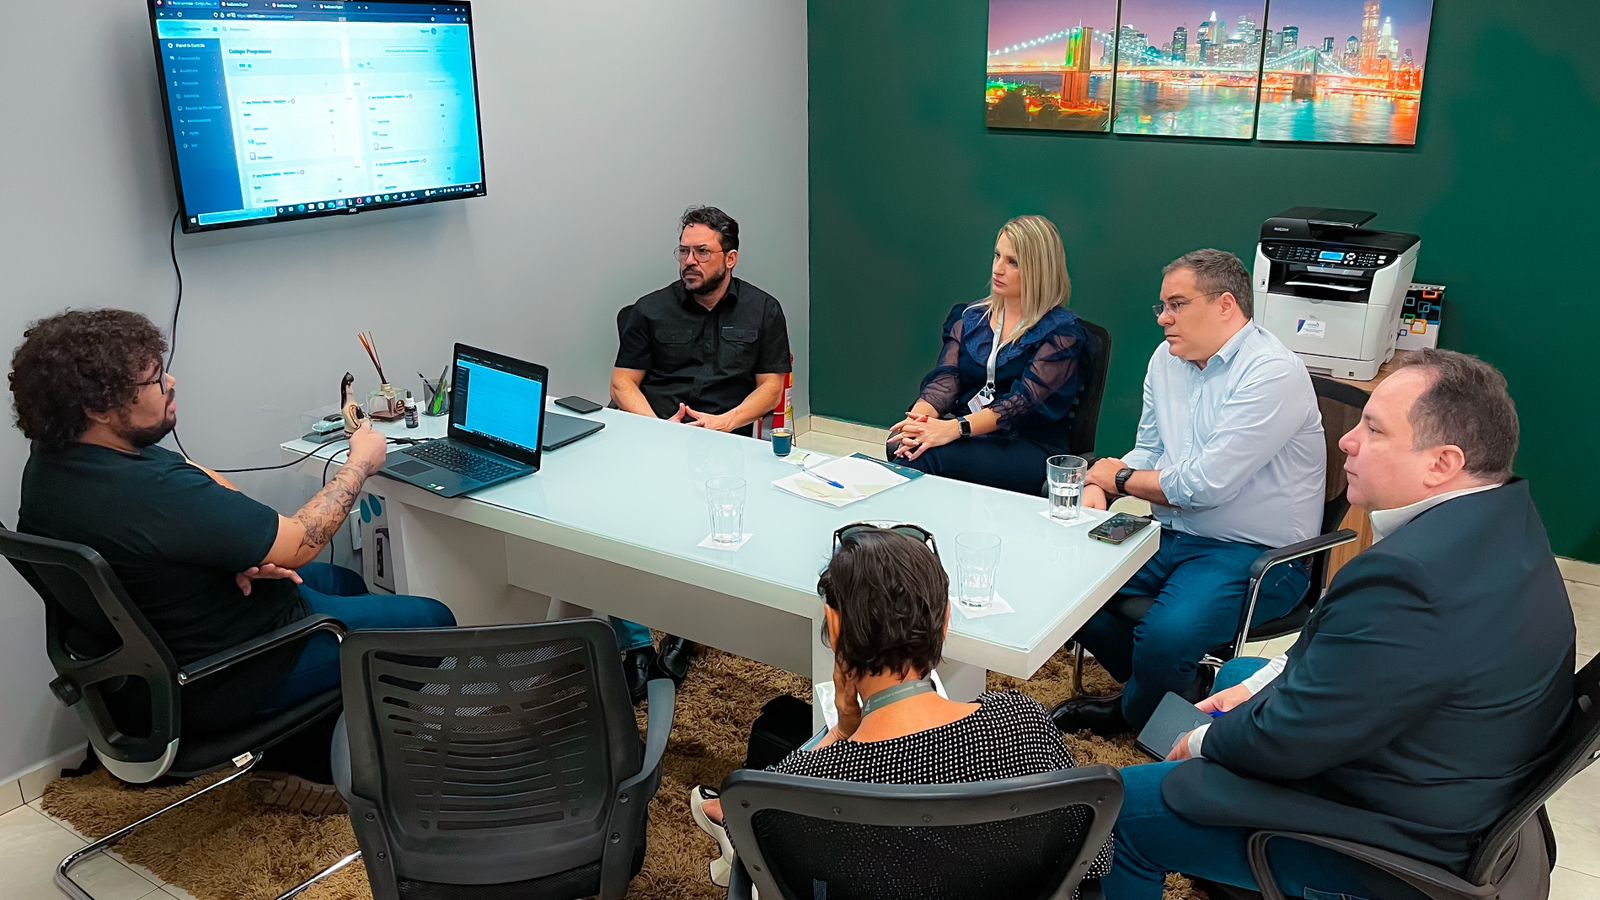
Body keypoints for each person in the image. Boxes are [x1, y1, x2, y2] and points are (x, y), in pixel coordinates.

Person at [1103, 349, 1576, 900]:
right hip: (1455, 777)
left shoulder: (1411, 580)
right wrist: (1257, 689)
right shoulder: (1501, 516)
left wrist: (1202, 742)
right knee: (1238, 676)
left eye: (1373, 429)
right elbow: (1357, 661)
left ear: (1442, 464)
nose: (1347, 441)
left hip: (1395, 836)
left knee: (1117, 807)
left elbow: (1287, 742)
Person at [10, 310, 455, 806]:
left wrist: (237, 551)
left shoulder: (56, 463)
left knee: (342, 582)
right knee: (434, 621)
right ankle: (330, 767)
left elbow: (203, 489)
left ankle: (305, 750)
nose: (171, 383)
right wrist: (359, 464)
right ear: (97, 406)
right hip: (223, 676)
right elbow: (299, 542)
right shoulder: (150, 491)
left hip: (148, 670)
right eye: (154, 379)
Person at [688, 525, 1112, 893]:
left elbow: (755, 844)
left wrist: (840, 733)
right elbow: (1092, 857)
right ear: (945, 622)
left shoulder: (797, 786)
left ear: (834, 626)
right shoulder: (1023, 722)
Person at [1053, 249, 1325, 734]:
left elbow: (1205, 487)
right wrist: (1099, 485)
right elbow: (1150, 450)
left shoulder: (1271, 372)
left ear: (1225, 305)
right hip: (1172, 532)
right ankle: (1174, 688)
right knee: (1066, 583)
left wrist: (1115, 479)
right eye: (1162, 306)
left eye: (1177, 305)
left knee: (1166, 635)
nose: (1163, 318)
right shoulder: (1167, 360)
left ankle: (1137, 714)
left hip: (1256, 555)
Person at [610, 205, 793, 699]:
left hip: (723, 442)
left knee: (711, 529)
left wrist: (726, 423)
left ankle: (686, 631)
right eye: (684, 251)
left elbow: (771, 387)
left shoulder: (763, 310)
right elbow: (623, 383)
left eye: (702, 252)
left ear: (730, 258)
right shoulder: (649, 310)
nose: (689, 261)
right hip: (656, 435)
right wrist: (658, 432)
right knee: (613, 520)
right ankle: (636, 645)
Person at [887, 215, 1091, 495]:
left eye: (1013, 262)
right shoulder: (970, 318)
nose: (998, 268)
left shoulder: (1062, 334)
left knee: (922, 456)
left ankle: (890, 523)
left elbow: (1019, 404)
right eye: (997, 256)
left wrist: (953, 429)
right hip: (969, 434)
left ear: (1038, 270)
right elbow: (946, 380)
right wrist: (918, 422)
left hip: (1025, 445)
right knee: (904, 443)